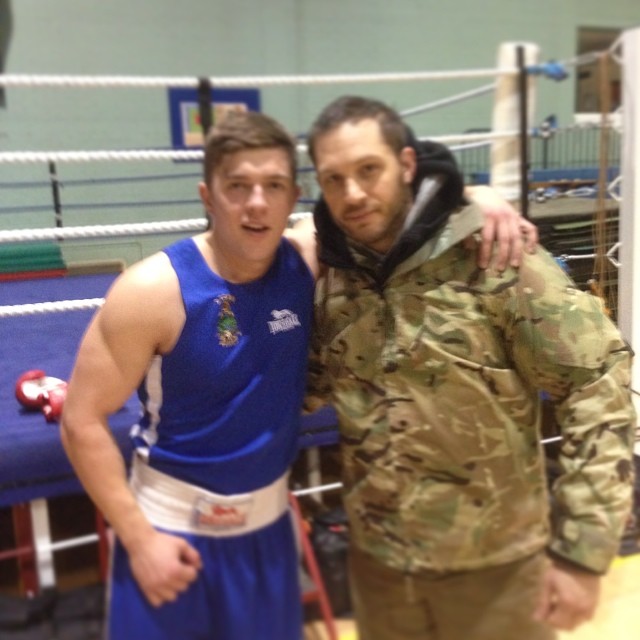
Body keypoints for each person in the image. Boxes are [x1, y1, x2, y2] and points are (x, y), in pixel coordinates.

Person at [60, 109, 535, 640]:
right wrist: (139, 539)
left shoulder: (305, 259)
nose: (257, 202)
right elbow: (82, 421)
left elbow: (390, 206)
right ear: (208, 196)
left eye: (273, 185)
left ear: (293, 198)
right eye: (237, 186)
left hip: (268, 536)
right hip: (169, 535)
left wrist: (476, 196)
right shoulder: (152, 292)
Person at [303, 95, 636, 640]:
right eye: (333, 179)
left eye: (368, 170)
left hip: (497, 573)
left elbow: (595, 385)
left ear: (406, 165)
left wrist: (583, 552)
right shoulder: (332, 280)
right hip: (382, 574)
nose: (353, 193)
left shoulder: (492, 255)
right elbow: (302, 389)